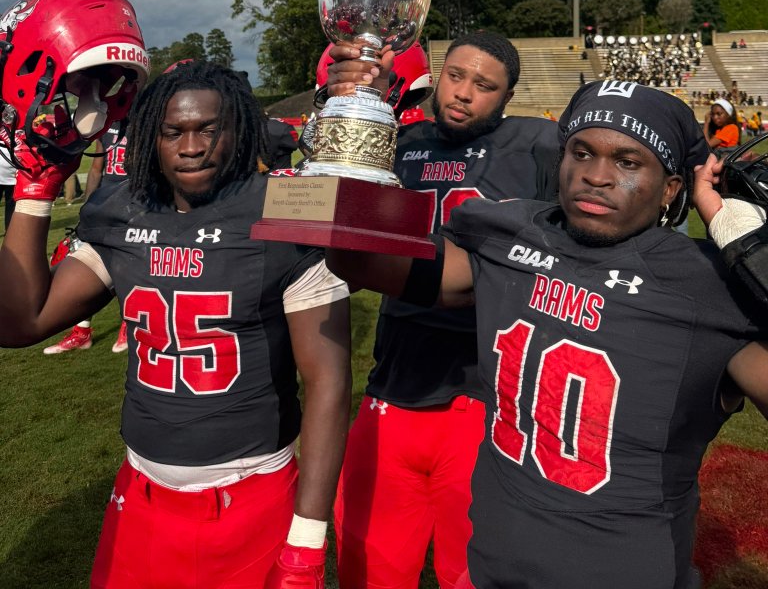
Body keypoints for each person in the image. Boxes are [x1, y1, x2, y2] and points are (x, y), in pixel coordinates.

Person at [325, 79, 768, 589]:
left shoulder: (705, 285)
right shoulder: (511, 234)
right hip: (493, 566)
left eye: (627, 162)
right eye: (581, 152)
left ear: (671, 188)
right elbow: (357, 261)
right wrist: (352, 120)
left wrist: (749, 250)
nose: (595, 176)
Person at [1, 54, 350, 584]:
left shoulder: (288, 209)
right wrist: (33, 195)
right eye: (173, 132)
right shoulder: (123, 211)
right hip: (140, 491)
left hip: (251, 490)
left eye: (209, 129)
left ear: (240, 129)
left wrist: (306, 540)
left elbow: (328, 381)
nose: (191, 147)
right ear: (150, 138)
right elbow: (20, 324)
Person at [325, 32, 560, 589]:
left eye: (485, 85)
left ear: (507, 97)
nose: (463, 93)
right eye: (456, 75)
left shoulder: (540, 145)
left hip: (487, 387)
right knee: (368, 557)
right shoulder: (400, 145)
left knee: (473, 567)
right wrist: (354, 103)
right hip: (396, 378)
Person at [44, 119, 131, 354]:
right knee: (73, 255)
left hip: (133, 203)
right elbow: (96, 169)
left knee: (127, 264)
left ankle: (130, 324)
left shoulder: (147, 121)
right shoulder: (111, 124)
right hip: (106, 202)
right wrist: (88, 209)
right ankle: (82, 332)